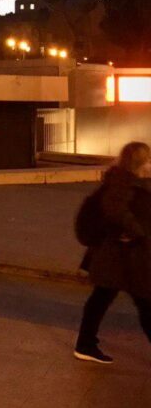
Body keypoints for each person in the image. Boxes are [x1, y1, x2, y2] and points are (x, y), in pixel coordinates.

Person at [74, 141, 151, 364]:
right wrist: (137, 233)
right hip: (123, 257)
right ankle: (85, 344)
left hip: (118, 257)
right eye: (147, 158)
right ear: (140, 161)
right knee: (145, 303)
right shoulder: (122, 182)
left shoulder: (125, 179)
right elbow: (115, 210)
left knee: (101, 298)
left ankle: (85, 344)